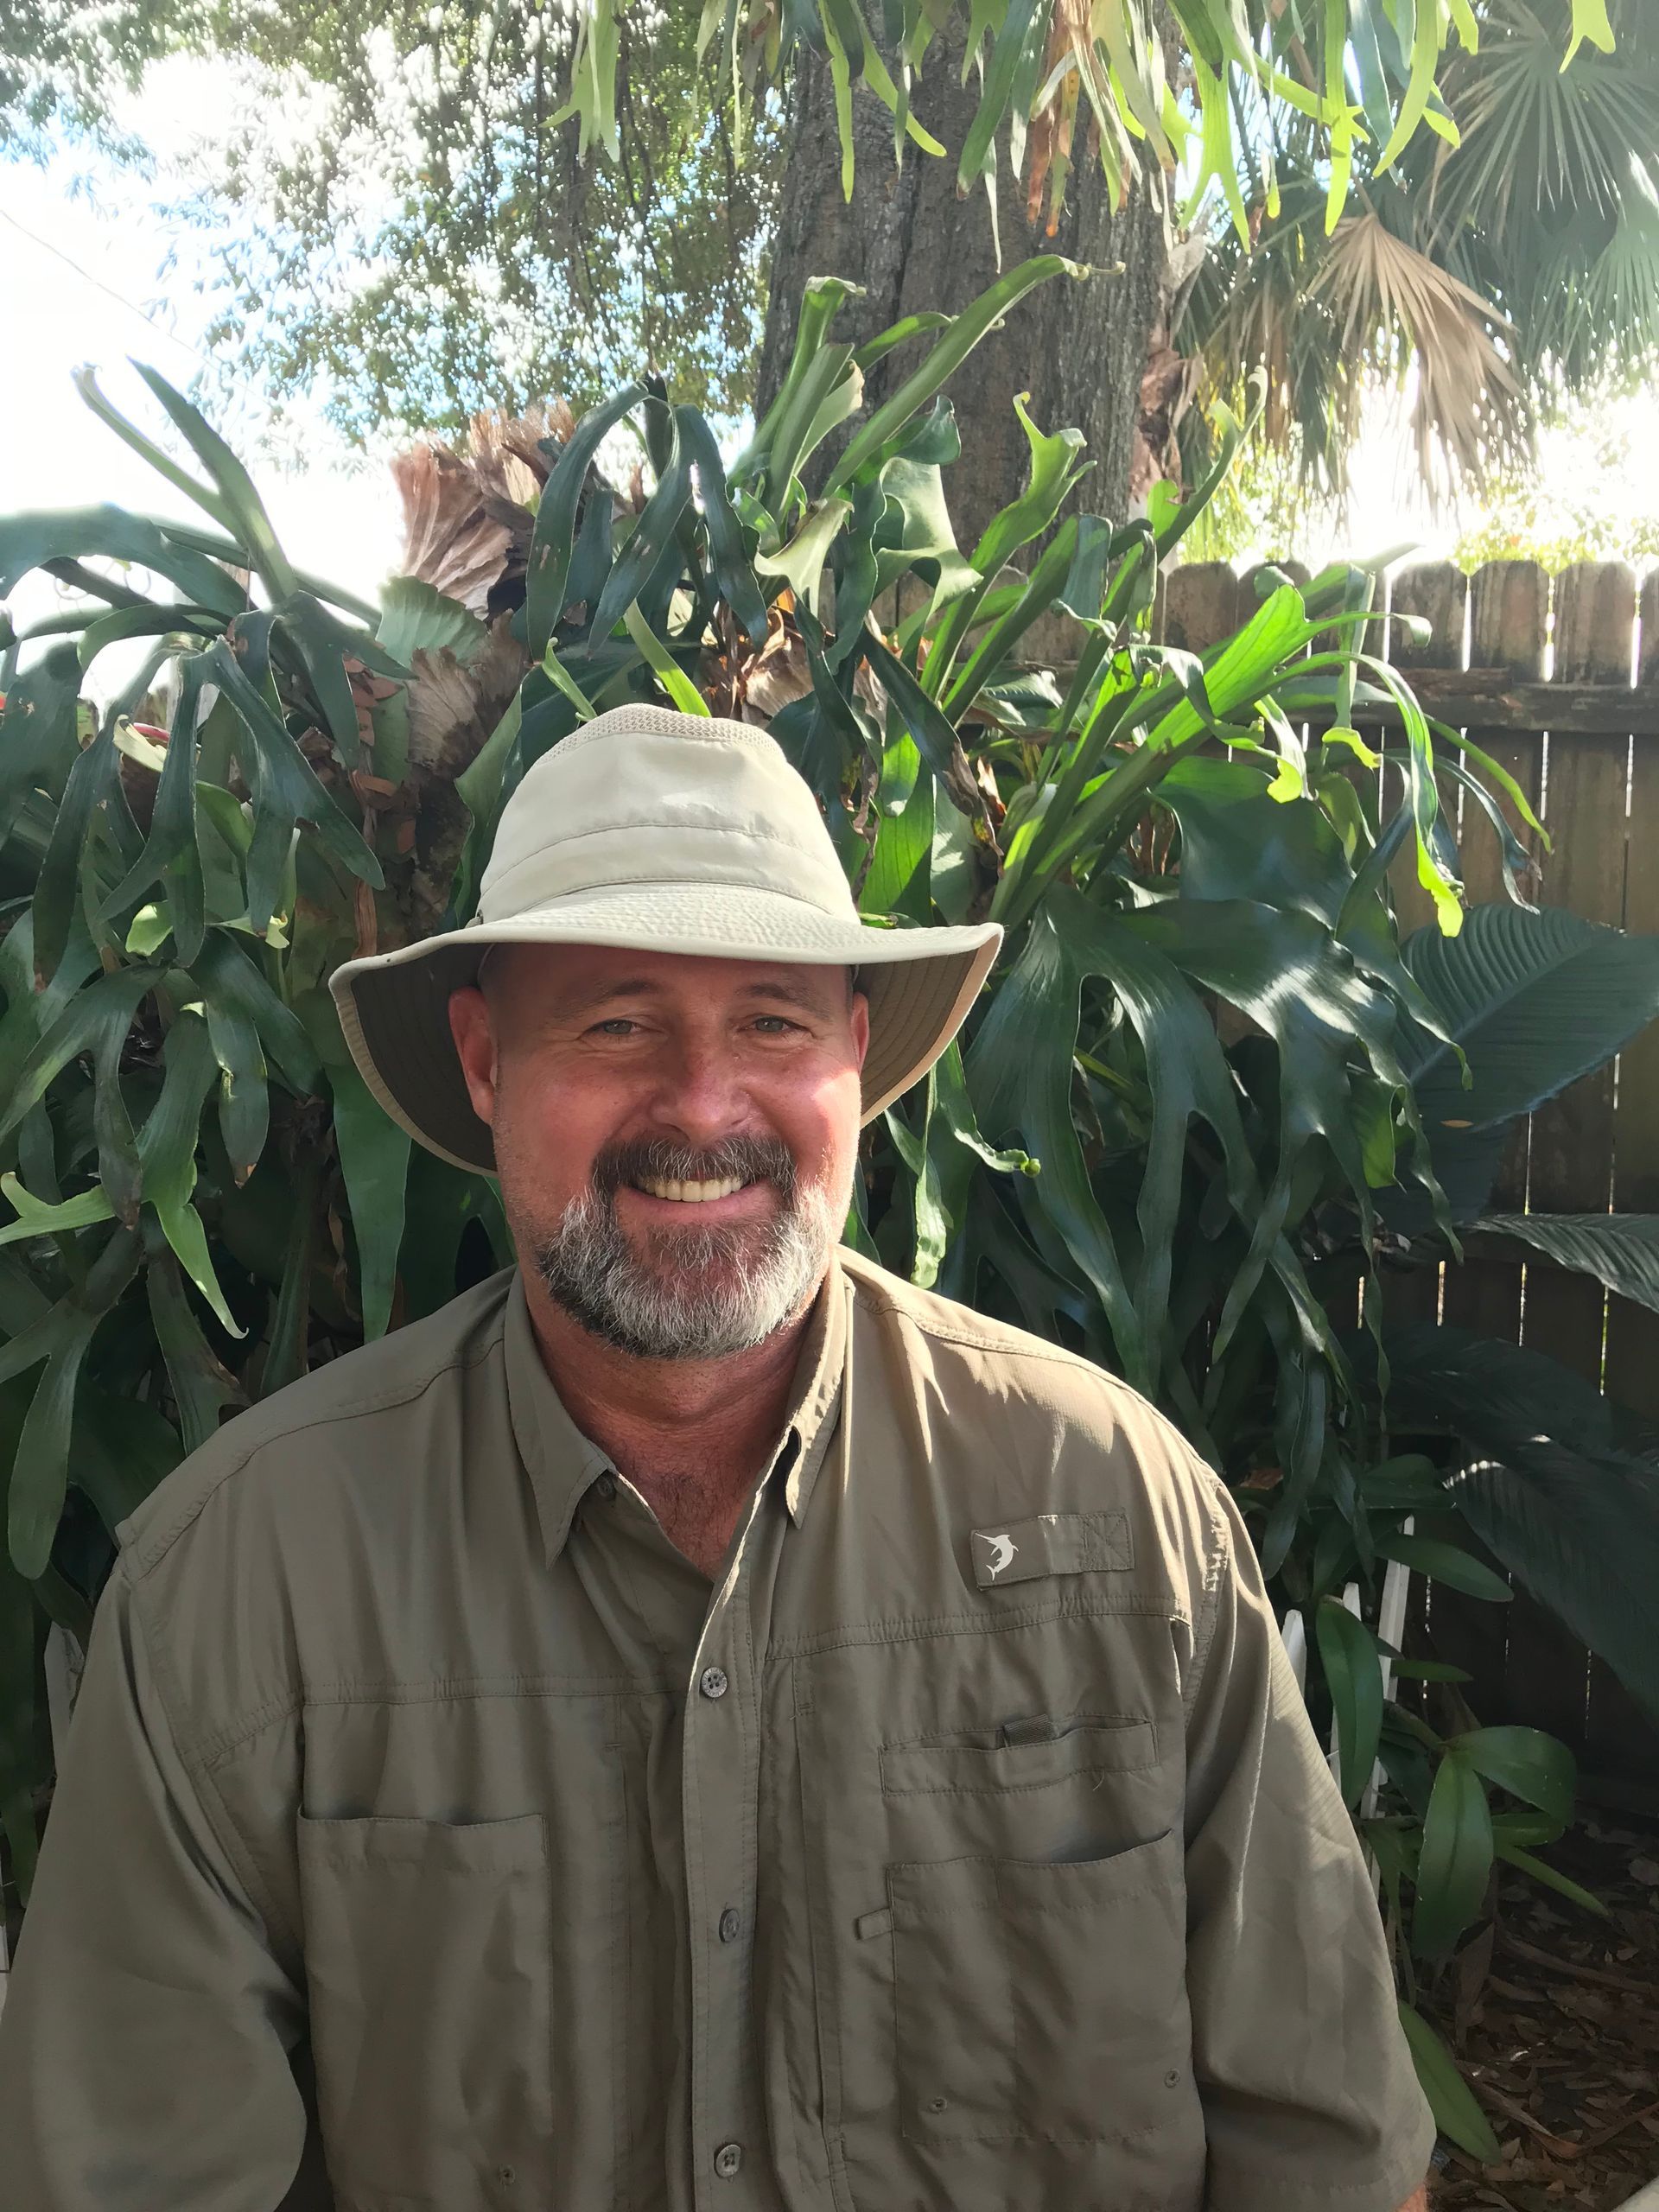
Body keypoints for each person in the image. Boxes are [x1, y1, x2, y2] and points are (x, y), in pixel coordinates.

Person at [0, 702, 1434, 2212]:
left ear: (856, 1056)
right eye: (616, 1024)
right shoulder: (244, 1588)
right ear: (484, 1061)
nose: (701, 1102)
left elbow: (1327, 2157)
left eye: (771, 1020)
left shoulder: (1124, 1524)